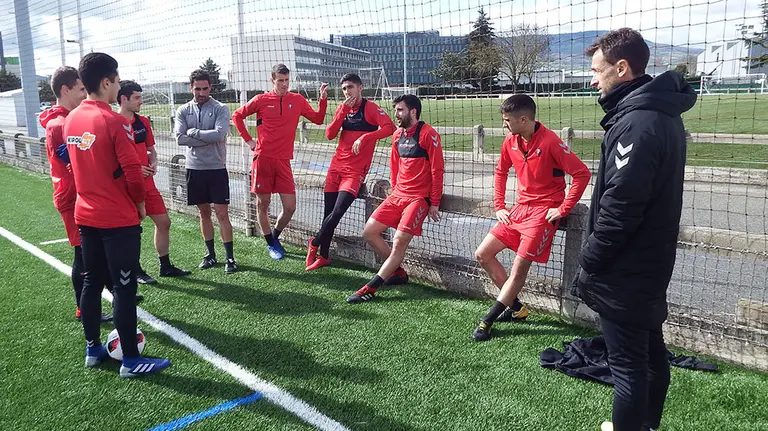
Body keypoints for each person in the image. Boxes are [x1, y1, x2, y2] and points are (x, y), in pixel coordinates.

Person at [574, 28, 696, 431]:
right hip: (651, 261)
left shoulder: (638, 123)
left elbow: (620, 208)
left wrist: (589, 261)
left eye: (597, 70)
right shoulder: (657, 113)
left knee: (627, 365)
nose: (593, 80)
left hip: (628, 267)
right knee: (650, 353)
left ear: (621, 68)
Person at [64, 52, 170, 377]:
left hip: (86, 215)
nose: (119, 85)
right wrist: (139, 205)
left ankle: (92, 349)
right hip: (116, 219)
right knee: (123, 289)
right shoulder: (114, 122)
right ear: (107, 82)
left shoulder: (72, 119)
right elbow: (134, 175)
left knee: (92, 281)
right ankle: (131, 361)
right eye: (118, 80)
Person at [472, 94, 591, 341]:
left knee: (518, 268)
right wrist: (499, 206)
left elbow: (581, 174)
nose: (504, 125)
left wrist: (563, 208)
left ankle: (488, 319)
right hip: (518, 210)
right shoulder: (510, 141)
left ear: (523, 119)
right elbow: (500, 171)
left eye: (507, 120)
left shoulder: (550, 142)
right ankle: (516, 309)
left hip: (543, 213)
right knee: (482, 254)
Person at [39, 66, 140, 322]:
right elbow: (74, 161)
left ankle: (111, 293)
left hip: (83, 195)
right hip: (73, 195)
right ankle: (84, 308)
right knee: (82, 256)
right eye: (81, 89)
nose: (86, 94)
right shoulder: (59, 123)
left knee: (93, 257)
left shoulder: (69, 118)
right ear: (65, 89)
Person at [346, 95, 444, 304]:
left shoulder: (429, 135)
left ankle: (370, 288)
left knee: (399, 242)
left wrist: (434, 202)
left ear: (413, 112)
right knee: (369, 232)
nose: (396, 115)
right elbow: (394, 166)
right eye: (396, 110)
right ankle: (398, 272)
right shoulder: (397, 135)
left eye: (400, 110)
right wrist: (393, 191)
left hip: (418, 199)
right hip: (397, 195)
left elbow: (437, 170)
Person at [232, 63, 328, 260]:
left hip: (283, 160)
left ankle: (274, 236)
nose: (284, 84)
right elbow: (237, 116)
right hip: (263, 159)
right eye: (280, 81)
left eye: (286, 80)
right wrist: (249, 140)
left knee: (290, 206)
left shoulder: (297, 100)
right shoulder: (261, 100)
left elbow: (318, 119)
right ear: (272, 80)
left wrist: (323, 100)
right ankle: (271, 245)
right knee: (263, 204)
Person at [304, 73, 395, 271]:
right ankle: (324, 256)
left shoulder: (370, 108)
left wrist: (366, 137)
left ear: (361, 88)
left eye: (351, 87)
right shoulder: (343, 108)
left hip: (354, 173)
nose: (348, 92)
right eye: (344, 89)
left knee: (337, 212)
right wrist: (342, 110)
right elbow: (329, 134)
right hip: (335, 168)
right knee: (328, 214)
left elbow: (390, 128)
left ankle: (314, 242)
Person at [118, 80, 191, 283]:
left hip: (148, 184)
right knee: (132, 230)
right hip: (126, 186)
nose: (141, 101)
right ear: (124, 99)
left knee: (164, 222)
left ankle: (165, 266)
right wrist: (133, 169)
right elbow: (110, 158)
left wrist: (153, 161)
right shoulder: (113, 123)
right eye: (137, 98)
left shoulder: (142, 122)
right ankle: (136, 270)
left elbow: (151, 149)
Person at [175, 69, 237, 273]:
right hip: (194, 168)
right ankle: (210, 255)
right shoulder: (183, 110)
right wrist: (204, 137)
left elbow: (219, 135)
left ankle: (230, 258)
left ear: (210, 87)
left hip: (216, 169)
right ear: (190, 87)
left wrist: (195, 134)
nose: (201, 92)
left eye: (205, 88)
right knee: (203, 213)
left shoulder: (220, 108)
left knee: (221, 214)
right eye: (197, 88)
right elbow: (180, 138)